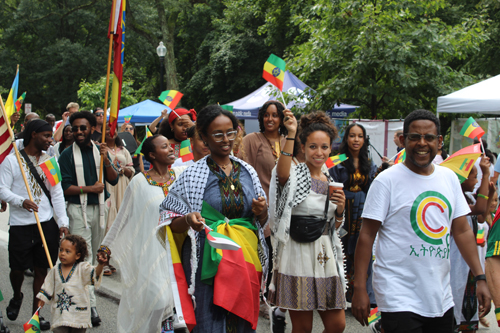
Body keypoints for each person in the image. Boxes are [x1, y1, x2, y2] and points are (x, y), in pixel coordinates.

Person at [352, 109, 491, 333]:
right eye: (414, 137)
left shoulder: (449, 179)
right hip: (398, 295)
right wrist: (359, 287)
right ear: (403, 139)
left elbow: (463, 231)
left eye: (428, 137)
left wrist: (480, 276)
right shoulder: (386, 181)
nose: (422, 143)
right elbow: (367, 235)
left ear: (440, 141)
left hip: (440, 297)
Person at [157, 104, 269, 332]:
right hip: (207, 262)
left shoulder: (248, 172)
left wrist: (261, 210)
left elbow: (260, 222)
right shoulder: (191, 175)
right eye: (218, 134)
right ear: (205, 138)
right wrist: (188, 219)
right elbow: (169, 221)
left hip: (243, 257)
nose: (226, 139)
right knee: (209, 320)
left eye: (230, 132)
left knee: (242, 320)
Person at [268, 110, 347, 333]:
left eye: (324, 147)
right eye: (313, 146)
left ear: (331, 148)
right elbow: (281, 175)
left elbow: (335, 228)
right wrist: (291, 133)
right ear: (303, 147)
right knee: (302, 329)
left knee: (337, 325)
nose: (319, 152)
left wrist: (340, 210)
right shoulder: (295, 174)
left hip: (325, 255)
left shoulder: (332, 179)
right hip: (297, 253)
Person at [100, 135, 186, 333]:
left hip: (181, 251)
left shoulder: (182, 174)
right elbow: (123, 217)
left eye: (170, 146)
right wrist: (106, 246)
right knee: (159, 299)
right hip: (151, 254)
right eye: (165, 147)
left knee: (178, 302)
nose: (171, 149)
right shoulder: (139, 182)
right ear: (152, 155)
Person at [0, 119, 70, 331]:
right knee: (17, 269)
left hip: (45, 223)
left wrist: (62, 222)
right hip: (21, 224)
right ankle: (17, 294)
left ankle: (36, 314)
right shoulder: (12, 162)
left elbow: (57, 192)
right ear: (33, 135)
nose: (51, 140)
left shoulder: (50, 162)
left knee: (43, 269)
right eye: (47, 136)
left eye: (51, 136)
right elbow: (2, 190)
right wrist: (21, 201)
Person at [58, 111, 118, 326]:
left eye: (83, 128)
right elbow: (65, 187)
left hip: (100, 210)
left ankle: (87, 299)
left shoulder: (99, 150)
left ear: (92, 129)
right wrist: (89, 188)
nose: (79, 132)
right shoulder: (66, 155)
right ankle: (91, 306)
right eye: (75, 128)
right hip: (77, 211)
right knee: (83, 258)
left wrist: (106, 159)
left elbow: (113, 179)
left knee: (97, 257)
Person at [329, 123, 377, 303]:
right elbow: (329, 182)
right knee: (341, 247)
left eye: (360, 136)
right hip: (342, 208)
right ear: (346, 138)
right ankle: (339, 293)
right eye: (352, 135)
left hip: (363, 209)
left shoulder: (368, 161)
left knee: (362, 248)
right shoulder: (337, 159)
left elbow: (372, 187)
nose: (356, 140)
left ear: (364, 140)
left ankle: (363, 294)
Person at [450, 159, 494, 333]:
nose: (476, 181)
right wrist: (486, 174)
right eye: (474, 177)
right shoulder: (455, 201)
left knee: (469, 315)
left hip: (469, 267)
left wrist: (490, 193)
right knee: (455, 312)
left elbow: (481, 217)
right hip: (457, 264)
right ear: (462, 179)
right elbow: (480, 208)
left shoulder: (467, 197)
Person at [37, 234, 106, 333]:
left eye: (67, 251)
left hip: (78, 315)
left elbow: (94, 274)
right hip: (61, 316)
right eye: (61, 250)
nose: (62, 254)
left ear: (77, 255)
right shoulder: (55, 271)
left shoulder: (82, 269)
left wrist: (101, 264)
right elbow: (48, 285)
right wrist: (42, 298)